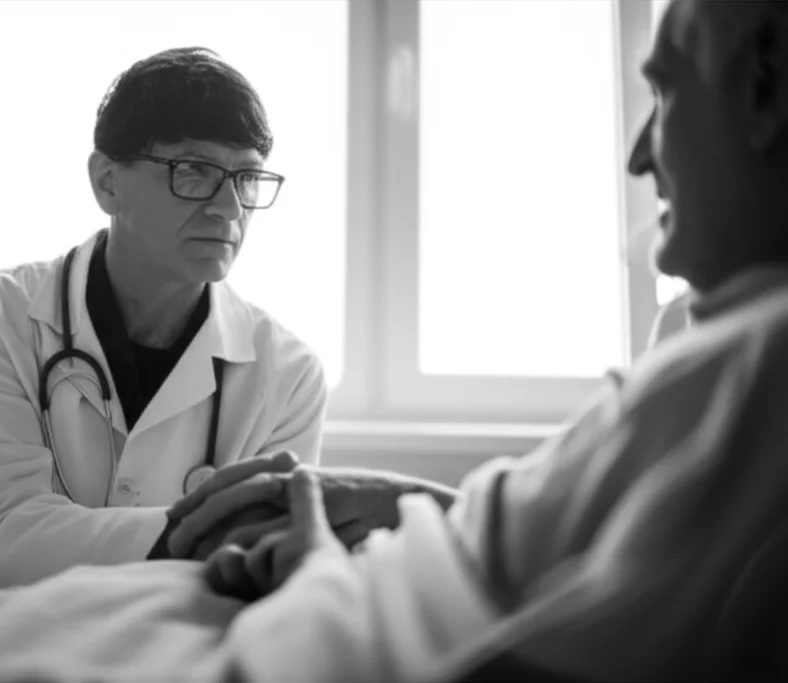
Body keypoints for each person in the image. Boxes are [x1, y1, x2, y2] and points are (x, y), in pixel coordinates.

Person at [162, 2, 788, 680]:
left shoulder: (753, 370)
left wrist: (318, 561)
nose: (639, 156)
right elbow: (586, 537)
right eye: (193, 173)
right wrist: (402, 501)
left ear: (764, 87)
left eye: (665, 92)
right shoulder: (711, 333)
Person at [0, 47, 328, 588]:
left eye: (246, 177)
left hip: (160, 640)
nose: (229, 208)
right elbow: (2, 539)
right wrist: (199, 532)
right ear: (107, 181)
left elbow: (266, 557)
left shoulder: (290, 375)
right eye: (195, 170)